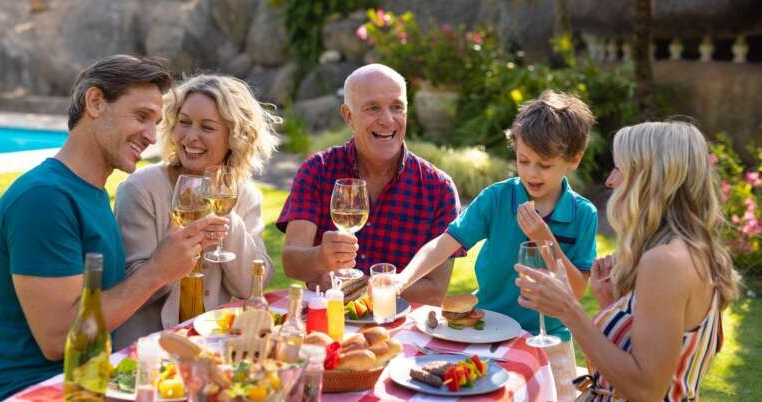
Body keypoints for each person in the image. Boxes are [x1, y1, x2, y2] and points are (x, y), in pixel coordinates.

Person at [0, 55, 223, 401]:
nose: (151, 136)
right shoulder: (45, 199)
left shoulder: (92, 194)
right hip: (35, 392)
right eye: (141, 116)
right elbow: (59, 340)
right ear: (95, 102)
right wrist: (156, 272)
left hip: (93, 385)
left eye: (156, 122)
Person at [515, 121, 739, 401]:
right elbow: (643, 361)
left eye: (620, 167)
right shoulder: (694, 251)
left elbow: (646, 390)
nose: (610, 180)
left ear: (651, 178)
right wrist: (612, 305)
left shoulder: (665, 263)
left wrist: (568, 309)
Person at [395, 90, 598, 399]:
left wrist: (544, 239)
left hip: (550, 338)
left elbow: (578, 290)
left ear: (574, 159)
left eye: (544, 165)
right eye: (523, 160)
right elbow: (444, 243)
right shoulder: (496, 198)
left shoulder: (583, 214)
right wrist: (403, 279)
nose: (531, 172)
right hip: (489, 330)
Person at [113, 74, 279, 349]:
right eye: (184, 122)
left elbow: (252, 285)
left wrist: (226, 216)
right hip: (147, 351)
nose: (191, 137)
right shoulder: (140, 190)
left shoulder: (243, 194)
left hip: (215, 348)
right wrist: (168, 259)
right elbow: (131, 288)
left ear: (234, 136)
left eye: (207, 127)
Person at [276, 64, 463, 306]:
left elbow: (435, 291)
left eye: (397, 107)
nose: (387, 120)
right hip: (331, 321)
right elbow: (291, 261)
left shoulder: (439, 189)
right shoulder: (318, 170)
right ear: (348, 116)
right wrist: (320, 257)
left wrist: (357, 286)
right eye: (373, 108)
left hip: (404, 332)